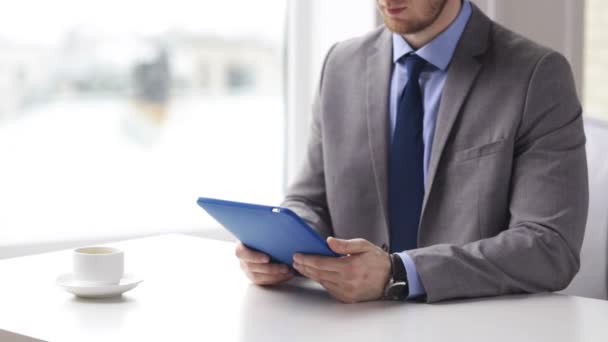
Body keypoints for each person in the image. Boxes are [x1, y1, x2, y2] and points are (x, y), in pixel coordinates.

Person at [235, 0, 588, 303]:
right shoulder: (341, 64)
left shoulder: (536, 76)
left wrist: (400, 273)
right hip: (352, 324)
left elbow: (549, 246)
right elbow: (309, 200)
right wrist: (279, 246)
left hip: (473, 323)